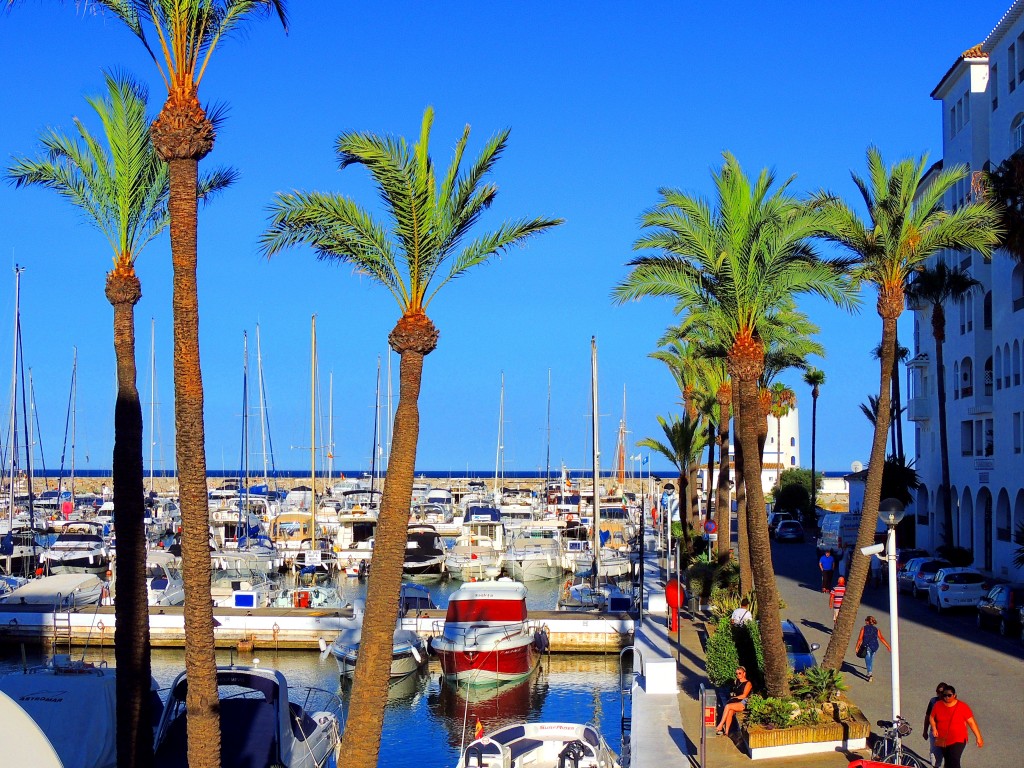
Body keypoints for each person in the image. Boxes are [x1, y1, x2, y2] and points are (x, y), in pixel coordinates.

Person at [928, 685, 983, 768]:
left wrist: (978, 737)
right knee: (948, 761)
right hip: (943, 739)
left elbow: (971, 722)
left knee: (954, 760)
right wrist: (934, 728)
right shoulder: (938, 705)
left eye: (949, 695)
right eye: (944, 695)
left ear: (954, 695)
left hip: (958, 739)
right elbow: (931, 717)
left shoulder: (962, 706)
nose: (947, 697)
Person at [715, 666, 753, 736]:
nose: (738, 675)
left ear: (744, 674)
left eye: (740, 673)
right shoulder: (737, 681)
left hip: (744, 702)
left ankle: (720, 725)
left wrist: (734, 698)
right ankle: (726, 732)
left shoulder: (748, 683)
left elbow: (744, 695)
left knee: (728, 706)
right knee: (730, 711)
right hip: (737, 701)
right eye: (737, 673)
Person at [854, 615, 890, 682]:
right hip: (875, 646)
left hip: (867, 646)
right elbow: (881, 638)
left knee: (868, 660)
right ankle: (869, 672)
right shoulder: (876, 629)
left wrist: (857, 647)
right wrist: (888, 646)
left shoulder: (864, 628)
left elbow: (860, 639)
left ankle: (869, 674)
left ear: (867, 621)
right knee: (871, 659)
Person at [923, 682, 949, 768]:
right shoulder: (933, 701)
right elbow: (927, 717)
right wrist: (925, 731)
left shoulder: (950, 702)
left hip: (946, 733)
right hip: (935, 732)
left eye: (941, 692)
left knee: (946, 755)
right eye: (938, 692)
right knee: (934, 754)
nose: (939, 694)